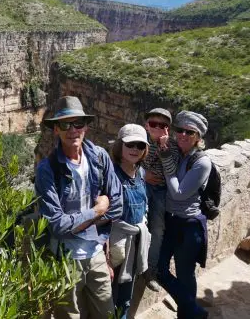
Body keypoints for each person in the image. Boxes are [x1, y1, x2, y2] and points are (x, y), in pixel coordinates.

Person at [35, 96, 123, 319]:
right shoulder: (48, 170)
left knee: (107, 314)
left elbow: (117, 205)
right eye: (65, 124)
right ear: (56, 129)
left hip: (96, 254)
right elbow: (56, 225)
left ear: (86, 126)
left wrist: (78, 222)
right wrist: (96, 212)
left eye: (78, 124)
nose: (72, 130)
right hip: (65, 259)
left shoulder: (100, 158)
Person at [155, 111, 211, 319]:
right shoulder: (179, 154)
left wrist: (166, 163)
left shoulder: (202, 162)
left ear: (198, 137)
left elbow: (178, 194)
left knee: (185, 275)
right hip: (172, 222)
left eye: (189, 132)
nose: (183, 135)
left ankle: (187, 314)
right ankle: (193, 310)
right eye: (180, 130)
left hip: (189, 226)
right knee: (159, 269)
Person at [108, 124, 151, 319]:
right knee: (108, 296)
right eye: (130, 144)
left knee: (125, 297)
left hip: (134, 242)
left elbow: (145, 204)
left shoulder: (140, 173)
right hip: (115, 244)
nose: (135, 149)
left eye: (140, 146)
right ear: (120, 146)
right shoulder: (111, 175)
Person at [141, 108, 180, 291]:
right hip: (141, 187)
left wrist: (162, 147)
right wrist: (144, 175)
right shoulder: (140, 141)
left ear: (168, 128)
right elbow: (140, 164)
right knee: (137, 225)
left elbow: (171, 170)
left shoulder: (172, 146)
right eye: (153, 124)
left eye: (162, 125)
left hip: (161, 191)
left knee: (157, 229)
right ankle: (133, 266)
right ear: (147, 125)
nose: (157, 128)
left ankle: (151, 271)